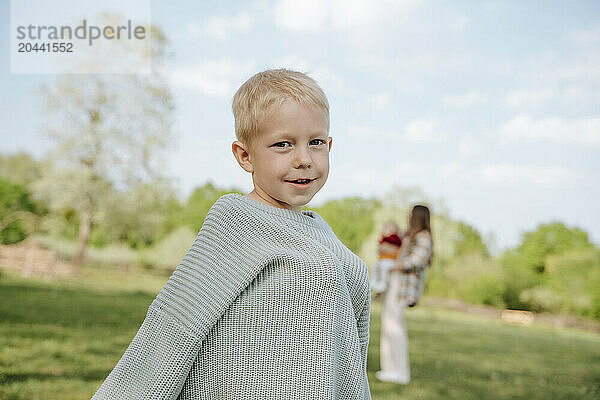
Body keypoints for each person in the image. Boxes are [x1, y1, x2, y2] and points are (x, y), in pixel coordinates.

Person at [90, 69, 372, 400]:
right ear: (245, 156)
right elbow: (176, 322)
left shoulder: (322, 234)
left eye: (316, 143)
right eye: (283, 144)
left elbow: (350, 350)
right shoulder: (236, 223)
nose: (304, 159)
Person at [375, 205, 433, 385]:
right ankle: (388, 369)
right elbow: (391, 246)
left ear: (417, 216)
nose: (407, 216)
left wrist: (394, 265)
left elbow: (418, 260)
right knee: (387, 326)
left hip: (402, 288)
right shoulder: (407, 235)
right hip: (392, 284)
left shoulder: (424, 237)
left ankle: (401, 372)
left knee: (395, 327)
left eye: (410, 214)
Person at [371, 221, 403, 295]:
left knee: (384, 267)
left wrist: (387, 248)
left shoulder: (395, 239)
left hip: (390, 260)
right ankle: (374, 282)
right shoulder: (384, 239)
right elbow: (379, 249)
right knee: (374, 266)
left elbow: (397, 249)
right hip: (382, 260)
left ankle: (383, 283)